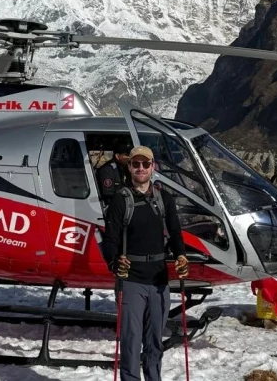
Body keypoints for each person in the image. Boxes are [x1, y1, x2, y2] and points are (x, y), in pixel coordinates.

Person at [101, 145, 190, 381]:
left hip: (159, 280)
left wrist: (181, 256)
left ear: (153, 167)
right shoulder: (121, 200)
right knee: (131, 340)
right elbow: (110, 239)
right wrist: (113, 262)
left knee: (154, 340)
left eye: (145, 164)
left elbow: (175, 233)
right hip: (131, 280)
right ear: (129, 167)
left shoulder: (165, 199)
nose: (141, 168)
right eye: (136, 164)